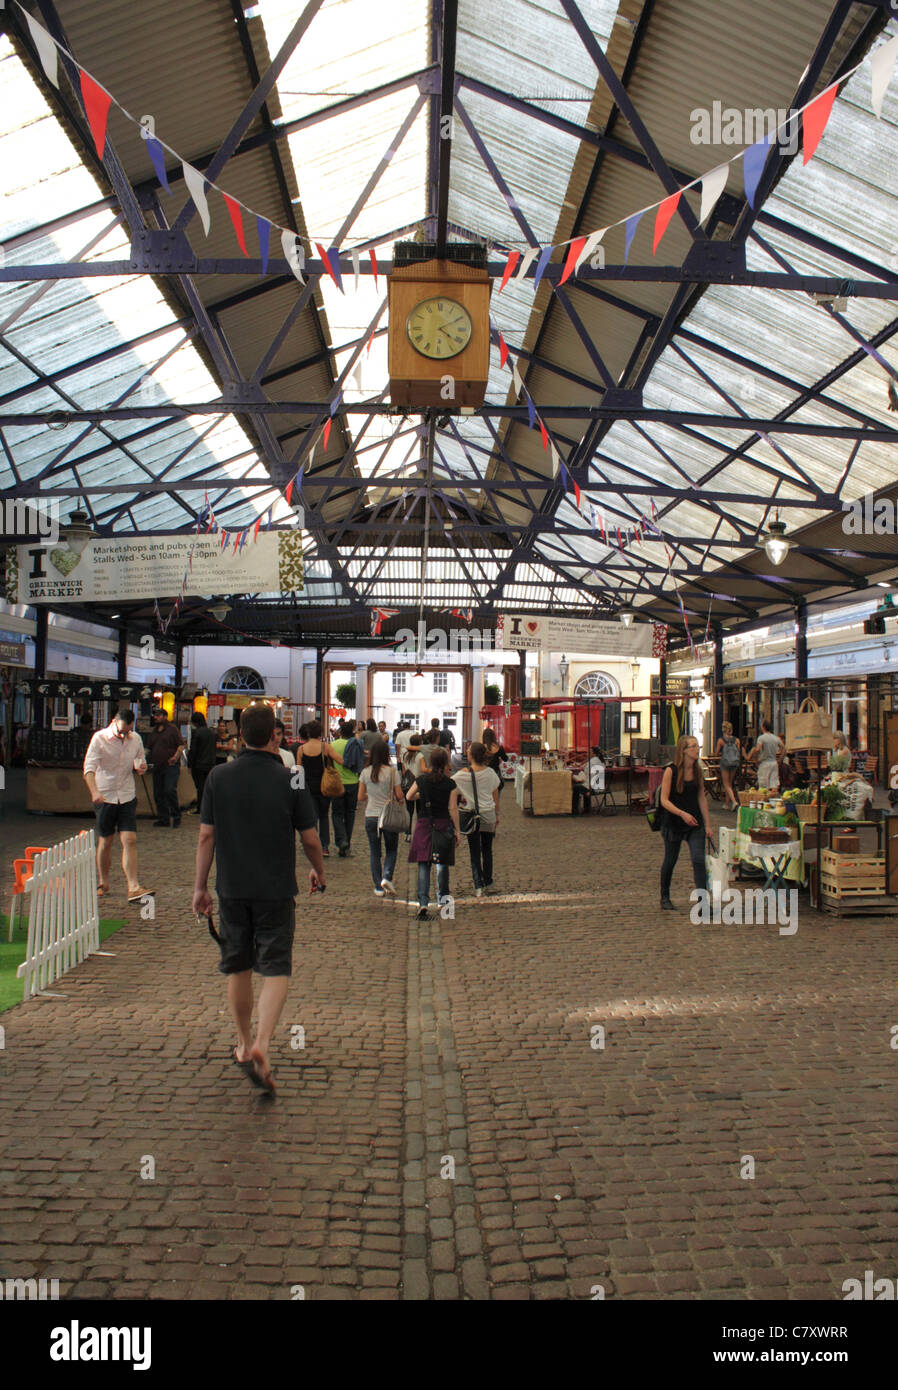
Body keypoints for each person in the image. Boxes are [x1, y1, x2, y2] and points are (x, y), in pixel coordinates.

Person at [192, 703, 325, 1094]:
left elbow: (205, 836)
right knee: (276, 966)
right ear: (275, 736)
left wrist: (200, 887)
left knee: (238, 966)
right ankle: (265, 1043)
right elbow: (310, 838)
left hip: (231, 888)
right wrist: (319, 869)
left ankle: (243, 1043)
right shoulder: (293, 779)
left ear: (239, 734)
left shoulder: (218, 776)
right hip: (276, 888)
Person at [82, 707, 152, 903]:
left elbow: (140, 760)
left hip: (127, 795)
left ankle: (133, 886)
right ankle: (103, 882)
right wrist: (94, 791)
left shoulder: (135, 739)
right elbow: (88, 768)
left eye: (127, 731)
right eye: (121, 731)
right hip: (105, 796)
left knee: (130, 839)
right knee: (106, 841)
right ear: (114, 721)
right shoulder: (99, 738)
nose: (124, 735)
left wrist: (141, 766)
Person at [659, 735, 714, 911]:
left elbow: (701, 798)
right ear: (684, 751)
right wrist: (682, 814)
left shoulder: (698, 771)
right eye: (693, 746)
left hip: (694, 822)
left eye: (698, 746)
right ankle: (664, 896)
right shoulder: (671, 771)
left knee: (698, 859)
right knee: (670, 860)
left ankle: (703, 903)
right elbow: (664, 800)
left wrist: (708, 824)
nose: (697, 749)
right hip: (674, 821)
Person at [406, 745, 460, 921]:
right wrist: (458, 831)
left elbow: (408, 796)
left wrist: (421, 797)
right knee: (442, 864)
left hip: (424, 824)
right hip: (443, 824)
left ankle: (422, 903)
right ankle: (444, 904)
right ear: (445, 763)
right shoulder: (450, 783)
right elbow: (453, 808)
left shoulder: (422, 780)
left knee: (423, 863)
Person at [358, 737, 404, 897]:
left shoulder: (365, 772)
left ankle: (378, 886)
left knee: (374, 851)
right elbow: (399, 795)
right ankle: (387, 877)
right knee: (391, 849)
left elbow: (360, 797)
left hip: (371, 815)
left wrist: (371, 794)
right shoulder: (392, 772)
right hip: (388, 816)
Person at [453, 741, 501, 896]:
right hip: (488, 814)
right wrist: (496, 814)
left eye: (468, 750)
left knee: (474, 852)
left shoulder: (462, 775)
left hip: (472, 815)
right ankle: (488, 881)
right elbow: (495, 796)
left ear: (471, 755)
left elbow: (451, 786)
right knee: (487, 850)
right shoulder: (491, 773)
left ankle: (478, 885)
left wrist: (463, 796)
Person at [295, 721, 343, 858]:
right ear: (320, 733)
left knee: (312, 817)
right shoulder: (325, 747)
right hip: (324, 787)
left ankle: (312, 845)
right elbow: (340, 760)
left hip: (307, 788)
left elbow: (298, 770)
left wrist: (296, 790)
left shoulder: (301, 749)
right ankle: (324, 847)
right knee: (323, 816)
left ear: (308, 733)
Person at [146, 705, 186, 827]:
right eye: (155, 716)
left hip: (170, 766)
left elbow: (181, 745)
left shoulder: (172, 729)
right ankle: (163, 818)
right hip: (158, 766)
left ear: (164, 717)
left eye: (158, 715)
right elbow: (148, 747)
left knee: (169, 790)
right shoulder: (154, 731)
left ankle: (176, 816)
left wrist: (176, 757)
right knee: (158, 793)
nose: (156, 718)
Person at [330, 719, 364, 857]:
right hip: (353, 782)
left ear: (340, 732)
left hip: (337, 783)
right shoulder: (357, 745)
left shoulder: (333, 745)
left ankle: (341, 840)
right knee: (350, 813)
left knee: (337, 813)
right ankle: (346, 843)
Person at [187, 711, 217, 814]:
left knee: (200, 787)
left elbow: (193, 750)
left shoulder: (196, 733)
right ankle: (208, 806)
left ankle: (200, 807)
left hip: (199, 764)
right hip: (210, 763)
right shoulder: (212, 732)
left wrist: (189, 764)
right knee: (207, 786)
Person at [750, 719, 783, 792]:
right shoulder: (776, 738)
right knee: (774, 784)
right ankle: (773, 799)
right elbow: (784, 748)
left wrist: (756, 760)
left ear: (763, 727)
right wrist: (780, 758)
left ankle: (764, 801)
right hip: (774, 762)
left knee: (763, 785)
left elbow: (758, 749)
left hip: (764, 763)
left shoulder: (761, 738)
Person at [716, 721, 742, 812]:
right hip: (734, 763)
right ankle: (727, 804)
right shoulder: (737, 740)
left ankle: (734, 801)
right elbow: (738, 752)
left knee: (726, 784)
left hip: (725, 763)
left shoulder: (721, 740)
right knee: (730, 783)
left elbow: (716, 753)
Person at [571, 746, 604, 814]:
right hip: (598, 786)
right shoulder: (599, 761)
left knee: (576, 787)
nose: (587, 753)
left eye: (589, 752)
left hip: (593, 787)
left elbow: (592, 776)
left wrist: (590, 789)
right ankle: (587, 808)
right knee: (580, 786)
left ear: (594, 754)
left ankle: (574, 810)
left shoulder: (592, 762)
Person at [481, 728, 507, 797]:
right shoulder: (499, 748)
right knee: (496, 795)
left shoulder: (481, 748)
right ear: (494, 737)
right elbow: (505, 759)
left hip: (483, 773)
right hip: (495, 773)